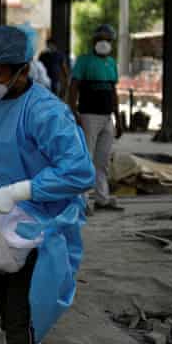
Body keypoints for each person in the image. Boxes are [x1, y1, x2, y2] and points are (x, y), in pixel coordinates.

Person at [0, 25, 94, 344]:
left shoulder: (46, 113)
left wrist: (22, 191)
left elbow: (79, 171)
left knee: (23, 312)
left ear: (21, 71)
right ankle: (9, 341)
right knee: (1, 292)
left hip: (38, 223)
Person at [67, 24, 123, 212]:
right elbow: (73, 86)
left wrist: (118, 117)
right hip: (88, 115)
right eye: (101, 39)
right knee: (86, 159)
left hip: (107, 117)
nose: (104, 43)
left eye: (108, 40)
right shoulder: (84, 61)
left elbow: (114, 91)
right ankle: (82, 202)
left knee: (102, 161)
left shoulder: (112, 63)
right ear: (94, 41)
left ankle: (102, 198)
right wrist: (72, 111)